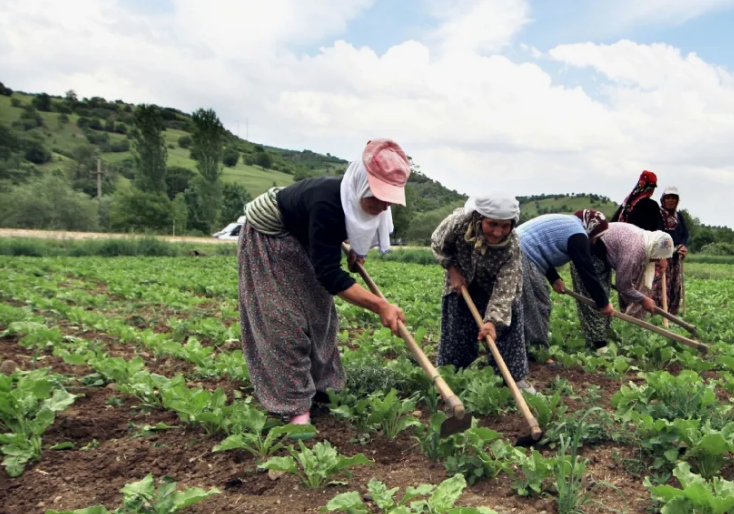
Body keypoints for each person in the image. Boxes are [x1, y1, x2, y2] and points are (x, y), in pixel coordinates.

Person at [236, 139, 410, 425]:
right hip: (269, 236)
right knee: (283, 319)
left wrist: (356, 249)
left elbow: (347, 230)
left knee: (320, 314)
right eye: (376, 198)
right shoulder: (328, 201)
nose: (382, 206)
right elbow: (329, 274)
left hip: (302, 235)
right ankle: (293, 406)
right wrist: (380, 305)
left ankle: (322, 388)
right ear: (361, 187)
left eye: (388, 200)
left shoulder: (371, 205)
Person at [431, 193, 536, 393]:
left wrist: (492, 321)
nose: (498, 232)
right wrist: (453, 271)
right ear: (479, 219)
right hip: (461, 276)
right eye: (492, 224)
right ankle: (450, 374)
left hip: (495, 285)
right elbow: (438, 243)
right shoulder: (459, 223)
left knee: (507, 329)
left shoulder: (512, 245)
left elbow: (505, 287)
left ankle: (513, 378)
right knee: (457, 326)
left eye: (505, 226)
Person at [518, 210, 616, 357]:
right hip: (521, 255)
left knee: (519, 304)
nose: (594, 241)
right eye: (595, 236)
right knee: (538, 304)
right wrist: (603, 302)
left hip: (519, 249)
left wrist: (554, 278)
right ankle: (538, 353)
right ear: (590, 228)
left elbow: (541, 246)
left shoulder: (570, 225)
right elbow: (587, 272)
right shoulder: (578, 235)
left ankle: (520, 347)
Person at [596, 222, 673, 319]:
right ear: (654, 249)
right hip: (591, 252)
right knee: (596, 305)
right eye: (657, 257)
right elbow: (622, 285)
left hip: (601, 252)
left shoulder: (646, 240)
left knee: (602, 299)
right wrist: (642, 299)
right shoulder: (634, 251)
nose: (656, 261)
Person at [652, 185, 690, 315]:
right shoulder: (658, 214)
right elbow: (658, 234)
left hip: (676, 256)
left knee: (675, 286)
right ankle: (659, 314)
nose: (671, 200)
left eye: (673, 198)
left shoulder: (679, 216)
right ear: (663, 199)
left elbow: (685, 234)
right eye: (668, 197)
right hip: (662, 255)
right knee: (661, 286)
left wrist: (683, 246)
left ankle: (672, 314)